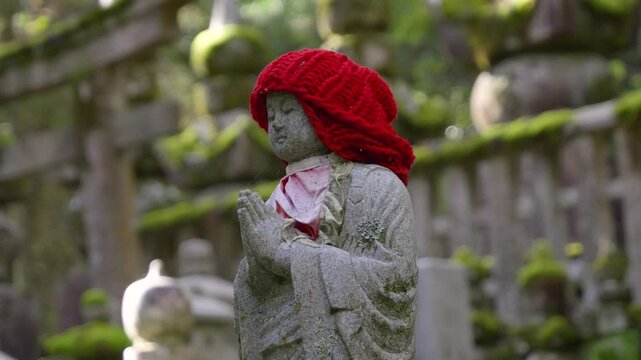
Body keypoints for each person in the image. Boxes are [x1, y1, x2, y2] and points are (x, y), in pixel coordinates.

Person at [234, 49, 417, 359]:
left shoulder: (376, 186)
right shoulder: (276, 200)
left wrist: (288, 256)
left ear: (326, 111)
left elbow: (395, 281)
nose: (276, 124)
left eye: (289, 111)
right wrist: (257, 268)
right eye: (272, 113)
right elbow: (256, 300)